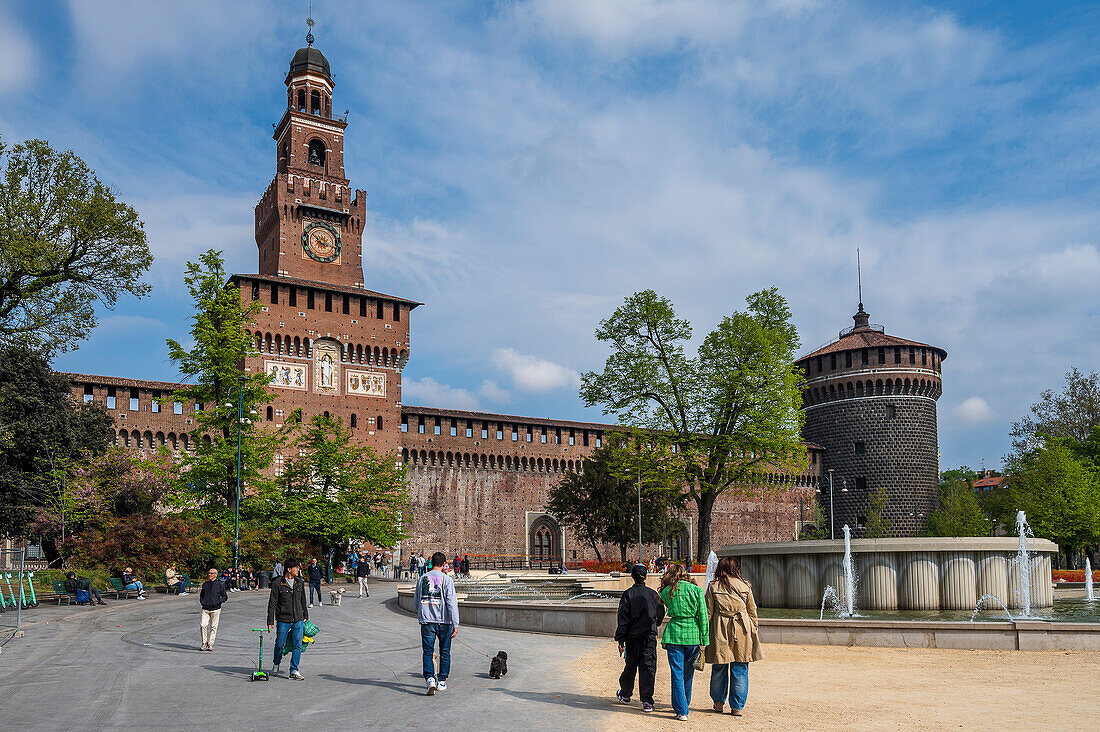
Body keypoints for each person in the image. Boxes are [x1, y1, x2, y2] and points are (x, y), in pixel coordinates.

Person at [706, 556, 763, 717]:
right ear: (735, 569)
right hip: (742, 628)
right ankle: (737, 706)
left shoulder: (713, 586)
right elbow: (752, 610)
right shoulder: (745, 585)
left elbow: (708, 613)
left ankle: (718, 702)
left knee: (719, 667)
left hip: (720, 628)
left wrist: (704, 633)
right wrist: (753, 630)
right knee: (740, 668)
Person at [659, 564, 708, 721]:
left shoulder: (667, 592)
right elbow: (703, 615)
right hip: (693, 634)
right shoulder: (697, 590)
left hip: (674, 634)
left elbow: (665, 604)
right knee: (688, 673)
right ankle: (684, 703)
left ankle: (681, 710)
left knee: (676, 673)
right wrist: (704, 638)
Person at [615, 564, 665, 713]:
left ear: (632, 576)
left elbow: (622, 618)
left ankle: (625, 694)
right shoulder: (653, 594)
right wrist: (656, 623)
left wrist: (621, 640)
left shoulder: (628, 594)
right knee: (648, 666)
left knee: (630, 665)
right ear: (646, 577)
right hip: (649, 634)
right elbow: (661, 611)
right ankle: (647, 700)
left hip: (632, 635)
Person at [415, 551, 460, 695]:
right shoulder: (447, 580)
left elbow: (416, 601)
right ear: (444, 563)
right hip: (444, 621)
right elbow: (451, 603)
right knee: (445, 651)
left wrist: (423, 612)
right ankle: (442, 680)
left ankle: (430, 678)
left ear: (432, 563)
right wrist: (455, 623)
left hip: (427, 620)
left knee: (428, 651)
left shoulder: (422, 578)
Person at [267, 557, 308, 680]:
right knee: (280, 644)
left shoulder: (299, 582)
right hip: (283, 619)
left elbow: (303, 600)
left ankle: (294, 670)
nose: (297, 569)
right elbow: (272, 603)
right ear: (289, 569)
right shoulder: (277, 583)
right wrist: (270, 621)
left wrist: (305, 615)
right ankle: (276, 663)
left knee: (297, 645)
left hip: (298, 619)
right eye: (296, 568)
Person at [199, 567, 228, 651]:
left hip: (215, 609)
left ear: (215, 574)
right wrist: (203, 602)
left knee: (213, 627)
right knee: (203, 625)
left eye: (211, 573)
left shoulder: (220, 584)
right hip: (205, 608)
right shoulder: (205, 584)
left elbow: (225, 596)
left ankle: (211, 644)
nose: (209, 575)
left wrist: (218, 602)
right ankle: (204, 642)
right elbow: (202, 595)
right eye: (209, 573)